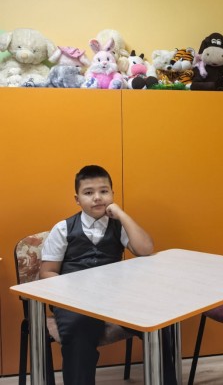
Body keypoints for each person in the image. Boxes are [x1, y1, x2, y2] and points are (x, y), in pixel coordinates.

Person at [39, 165, 174, 385]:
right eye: (88, 192)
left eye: (104, 191)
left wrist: (121, 214)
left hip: (115, 298)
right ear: (77, 199)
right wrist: (73, 291)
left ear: (112, 194)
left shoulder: (118, 226)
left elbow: (145, 248)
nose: (97, 197)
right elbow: (47, 271)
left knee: (159, 321)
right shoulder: (63, 228)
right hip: (74, 301)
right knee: (79, 330)